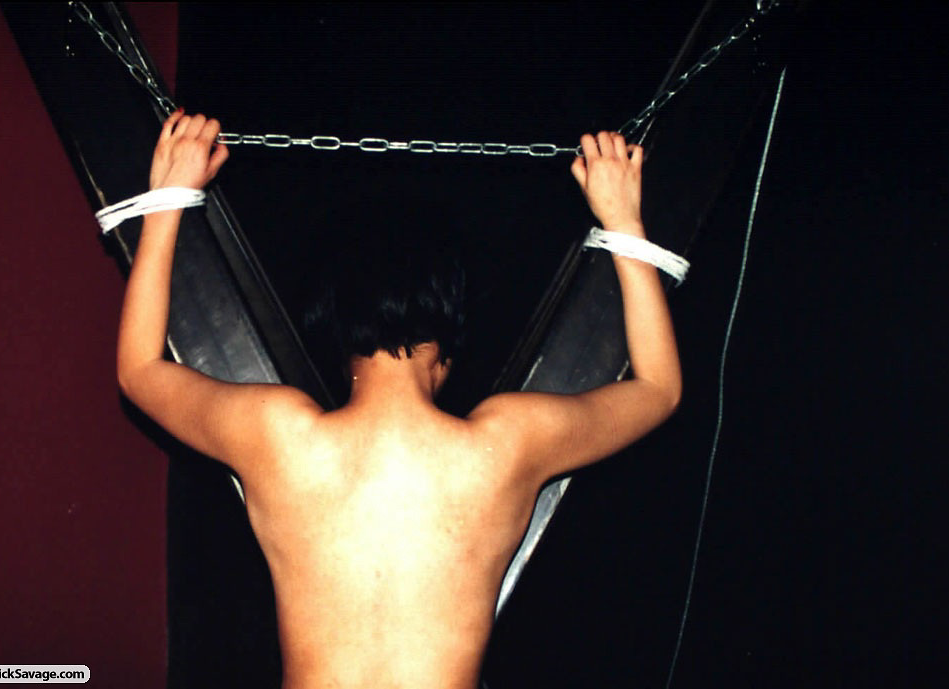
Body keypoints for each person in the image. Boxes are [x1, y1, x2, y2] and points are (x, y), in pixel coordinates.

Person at [117, 109, 681, 689]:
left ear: (336, 331)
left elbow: (140, 371)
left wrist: (169, 198)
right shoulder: (508, 445)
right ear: (450, 339)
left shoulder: (277, 435)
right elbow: (658, 389)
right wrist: (622, 221)